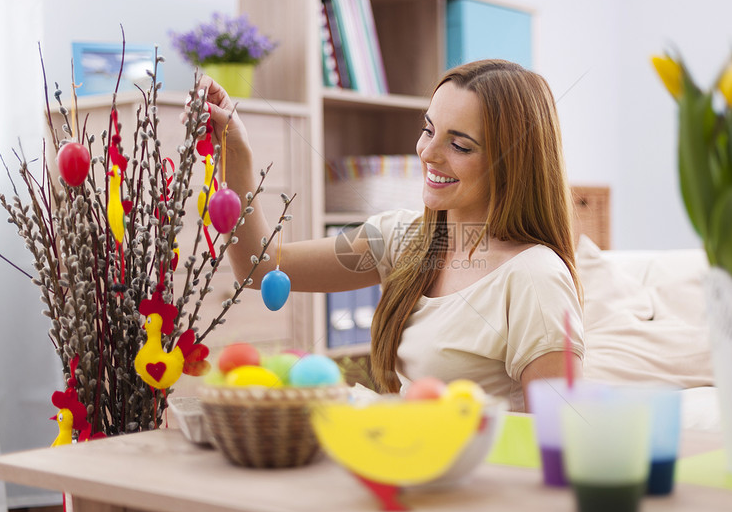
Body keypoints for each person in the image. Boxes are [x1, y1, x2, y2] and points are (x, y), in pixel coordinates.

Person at [198, 59, 584, 412]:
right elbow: (262, 269)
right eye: (428, 130)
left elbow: (558, 444)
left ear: (513, 162)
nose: (427, 153)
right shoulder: (401, 238)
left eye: (460, 145)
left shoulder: (536, 279)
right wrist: (236, 154)